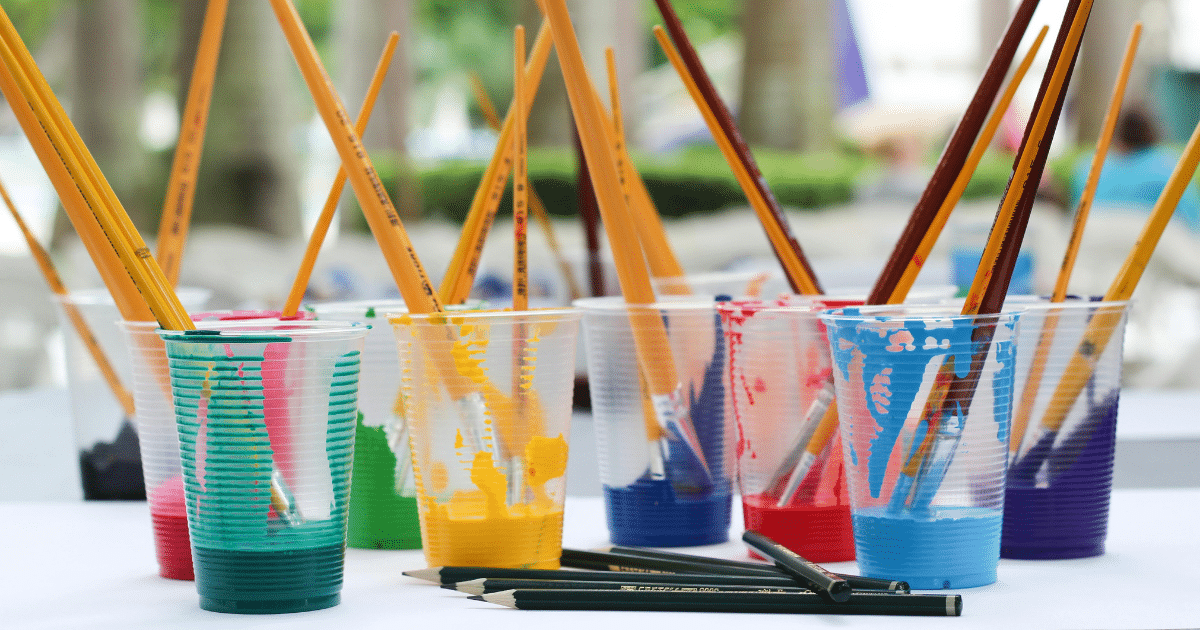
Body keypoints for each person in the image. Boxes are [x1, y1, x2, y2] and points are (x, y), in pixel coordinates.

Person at [1070, 106, 1200, 234]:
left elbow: (1076, 214)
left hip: (1093, 245)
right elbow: (1192, 222)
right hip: (1158, 248)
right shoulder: (1170, 166)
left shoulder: (1089, 167)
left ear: (1117, 136)